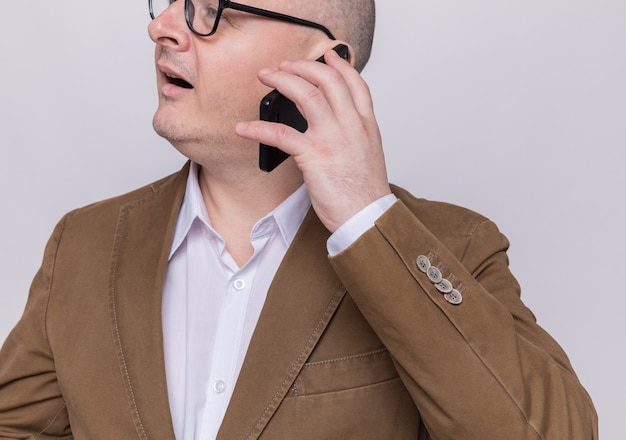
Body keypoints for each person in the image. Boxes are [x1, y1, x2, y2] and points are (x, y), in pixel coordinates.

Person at [0, 0, 598, 438]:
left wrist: (366, 217)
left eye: (212, 11)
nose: (162, 27)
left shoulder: (456, 247)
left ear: (325, 66)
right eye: (172, 3)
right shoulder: (84, 244)